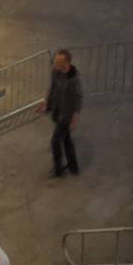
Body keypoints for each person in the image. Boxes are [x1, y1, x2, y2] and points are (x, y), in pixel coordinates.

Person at [45, 49, 84, 178]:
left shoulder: (74, 80)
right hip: (57, 110)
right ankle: (73, 167)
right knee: (66, 139)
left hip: (66, 116)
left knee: (55, 142)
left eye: (58, 61)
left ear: (67, 62)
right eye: (55, 60)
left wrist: (74, 118)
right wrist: (46, 104)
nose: (55, 62)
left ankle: (58, 170)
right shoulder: (56, 72)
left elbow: (78, 99)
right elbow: (52, 88)